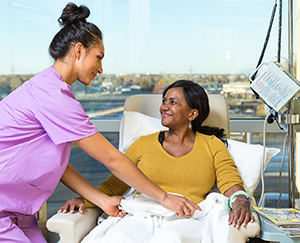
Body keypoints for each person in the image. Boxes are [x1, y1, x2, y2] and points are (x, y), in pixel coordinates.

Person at [0, 4, 199, 243]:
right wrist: (164, 198)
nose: (101, 69)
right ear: (79, 50)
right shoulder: (53, 97)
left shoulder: (49, 90)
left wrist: (101, 200)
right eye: (99, 57)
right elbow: (112, 160)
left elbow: (59, 165)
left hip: (16, 211)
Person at [59, 80, 255, 243]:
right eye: (164, 101)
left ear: (192, 114)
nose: (164, 107)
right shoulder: (143, 144)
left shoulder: (212, 145)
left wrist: (240, 201)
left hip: (187, 217)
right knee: (119, 237)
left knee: (171, 238)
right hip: (143, 214)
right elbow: (114, 186)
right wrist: (83, 199)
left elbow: (230, 182)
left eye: (173, 102)